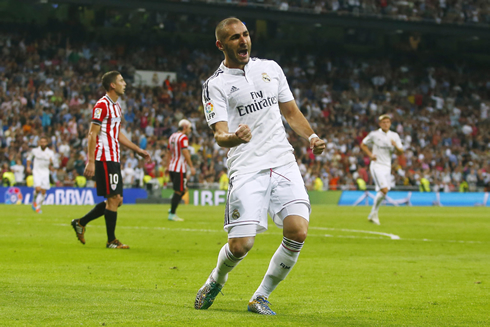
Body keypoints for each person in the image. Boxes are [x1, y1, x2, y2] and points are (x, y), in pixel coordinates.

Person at [194, 17, 325, 315]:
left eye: (246, 34)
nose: (243, 41)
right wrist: (233, 137)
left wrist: (312, 136)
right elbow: (219, 135)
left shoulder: (271, 68)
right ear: (220, 45)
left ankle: (260, 296)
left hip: (282, 161)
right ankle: (216, 279)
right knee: (241, 246)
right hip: (247, 167)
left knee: (298, 230)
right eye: (234, 38)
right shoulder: (215, 85)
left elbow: (291, 113)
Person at [70, 71, 150, 249]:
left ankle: (80, 222)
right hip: (104, 157)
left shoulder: (117, 106)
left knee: (117, 199)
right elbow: (92, 133)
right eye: (121, 80)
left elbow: (117, 134)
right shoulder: (102, 105)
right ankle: (111, 240)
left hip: (114, 157)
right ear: (112, 85)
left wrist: (137, 149)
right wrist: (90, 161)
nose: (125, 83)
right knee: (114, 199)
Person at [360, 114, 403, 225]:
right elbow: (363, 144)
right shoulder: (374, 134)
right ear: (380, 124)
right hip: (376, 165)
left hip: (387, 167)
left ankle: (373, 214)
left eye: (388, 122)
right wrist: (370, 155)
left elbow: (400, 152)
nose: (386, 124)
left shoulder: (394, 136)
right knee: (384, 189)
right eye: (383, 122)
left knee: (384, 191)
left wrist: (396, 146)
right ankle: (373, 213)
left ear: (390, 123)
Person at [166, 119, 196, 221]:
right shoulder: (183, 137)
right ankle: (172, 213)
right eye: (189, 128)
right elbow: (185, 152)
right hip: (179, 168)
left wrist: (167, 166)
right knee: (179, 191)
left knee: (183, 189)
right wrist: (191, 166)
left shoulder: (172, 137)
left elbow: (168, 153)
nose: (190, 130)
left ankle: (172, 209)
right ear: (184, 127)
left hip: (172, 166)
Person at [26, 136, 55, 214]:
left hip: (45, 173)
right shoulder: (34, 151)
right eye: (41, 142)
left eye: (44, 142)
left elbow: (53, 163)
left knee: (43, 191)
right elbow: (29, 158)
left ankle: (38, 207)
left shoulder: (50, 152)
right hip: (37, 172)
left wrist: (51, 162)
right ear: (39, 143)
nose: (42, 143)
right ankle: (34, 201)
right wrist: (28, 166)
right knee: (38, 189)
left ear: (46, 143)